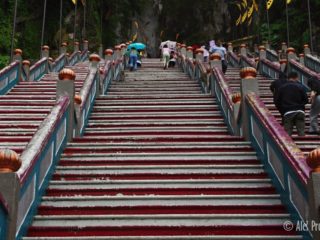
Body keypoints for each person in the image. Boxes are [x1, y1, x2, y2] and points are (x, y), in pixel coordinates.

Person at [275, 72, 308, 136]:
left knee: (287, 134)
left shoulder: (282, 88)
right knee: (301, 133)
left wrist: (282, 110)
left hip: (287, 111)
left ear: (288, 78)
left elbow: (277, 101)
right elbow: (306, 100)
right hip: (299, 111)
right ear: (296, 78)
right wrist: (301, 106)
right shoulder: (300, 86)